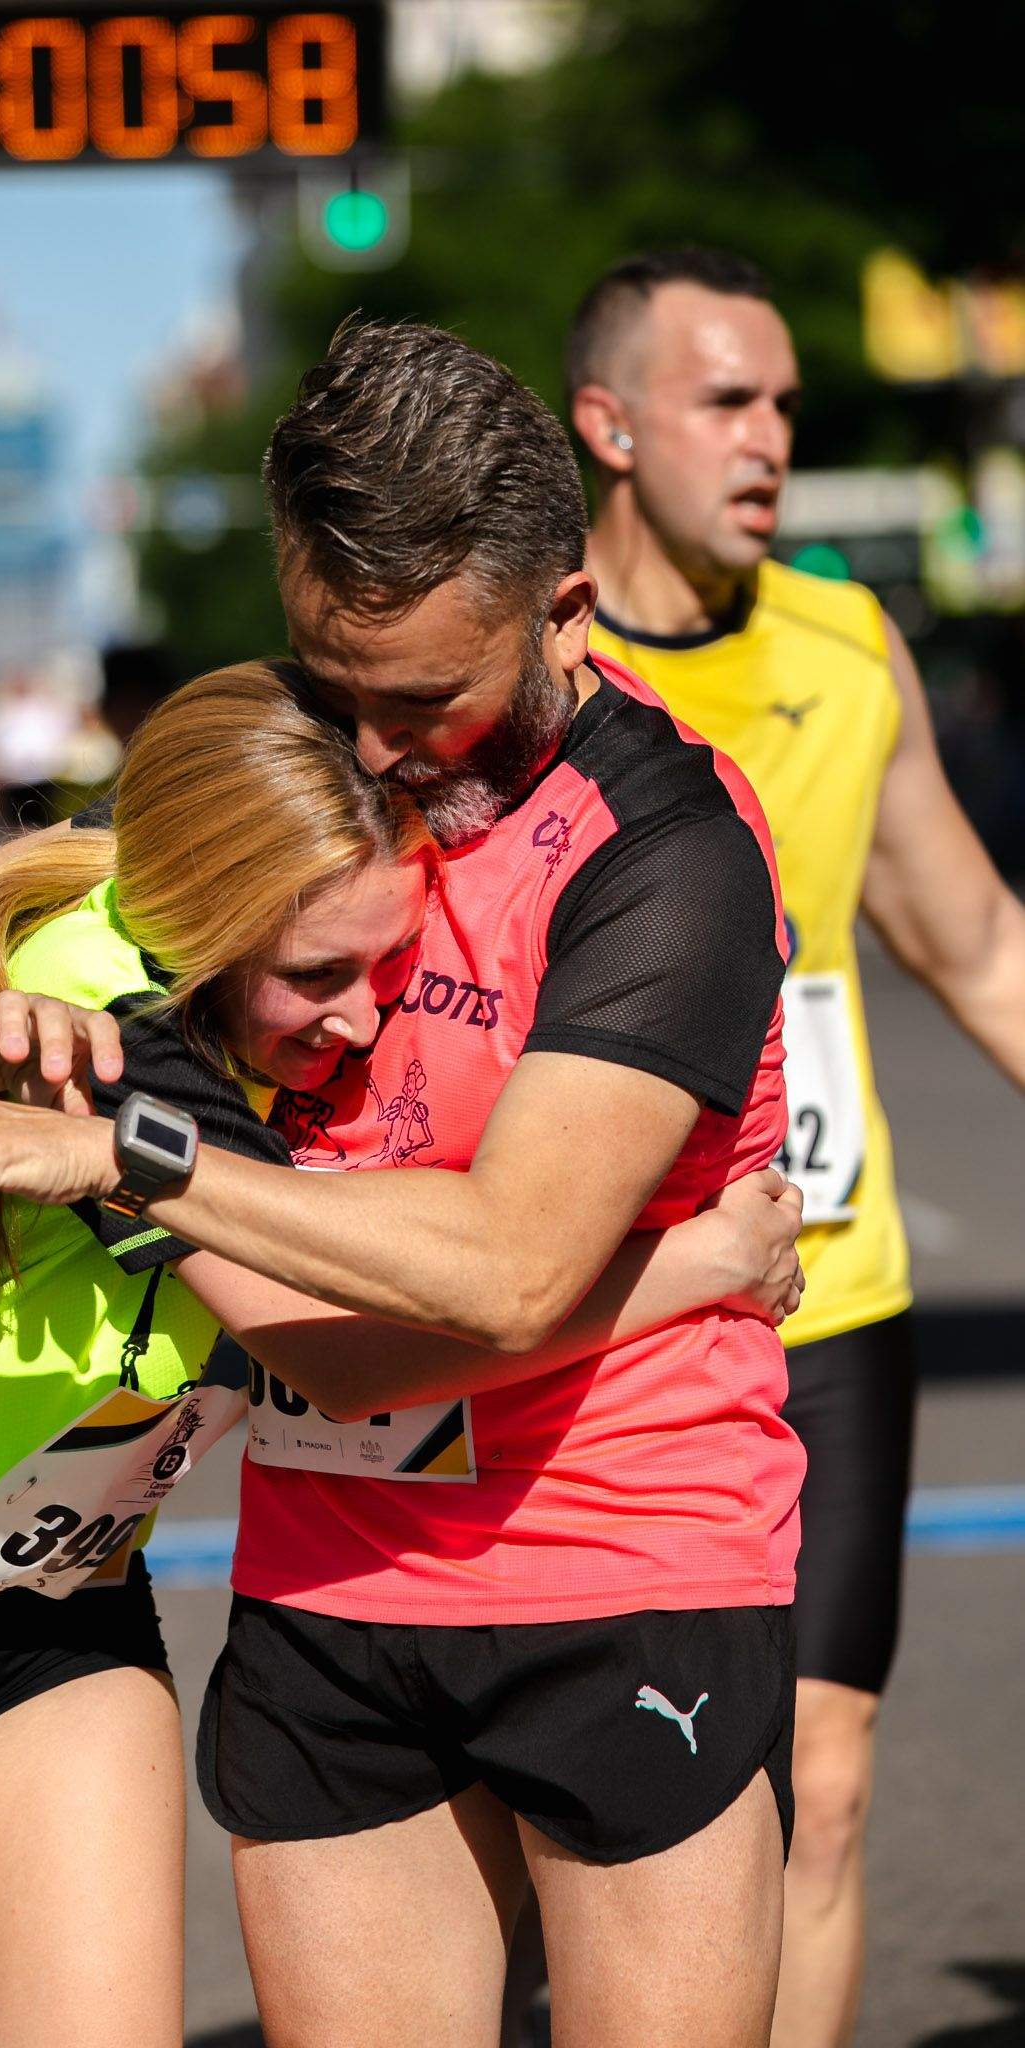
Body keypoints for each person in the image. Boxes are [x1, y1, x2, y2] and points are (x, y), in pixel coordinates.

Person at [0, 319, 808, 2048]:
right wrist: (91, 1050)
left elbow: (501, 1267)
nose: (377, 748)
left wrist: (122, 1149)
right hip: (333, 1583)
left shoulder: (670, 853)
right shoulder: (319, 751)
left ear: (564, 611)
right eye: (331, 682)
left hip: (619, 1557)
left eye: (428, 699)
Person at [564, 246, 1025, 2048]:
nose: (769, 438)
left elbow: (975, 937)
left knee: (819, 1777)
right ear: (608, 423)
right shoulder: (532, 657)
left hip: (829, 1294)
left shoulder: (846, 645)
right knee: (615, 1797)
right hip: (594, 1296)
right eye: (724, 400)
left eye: (782, 405)